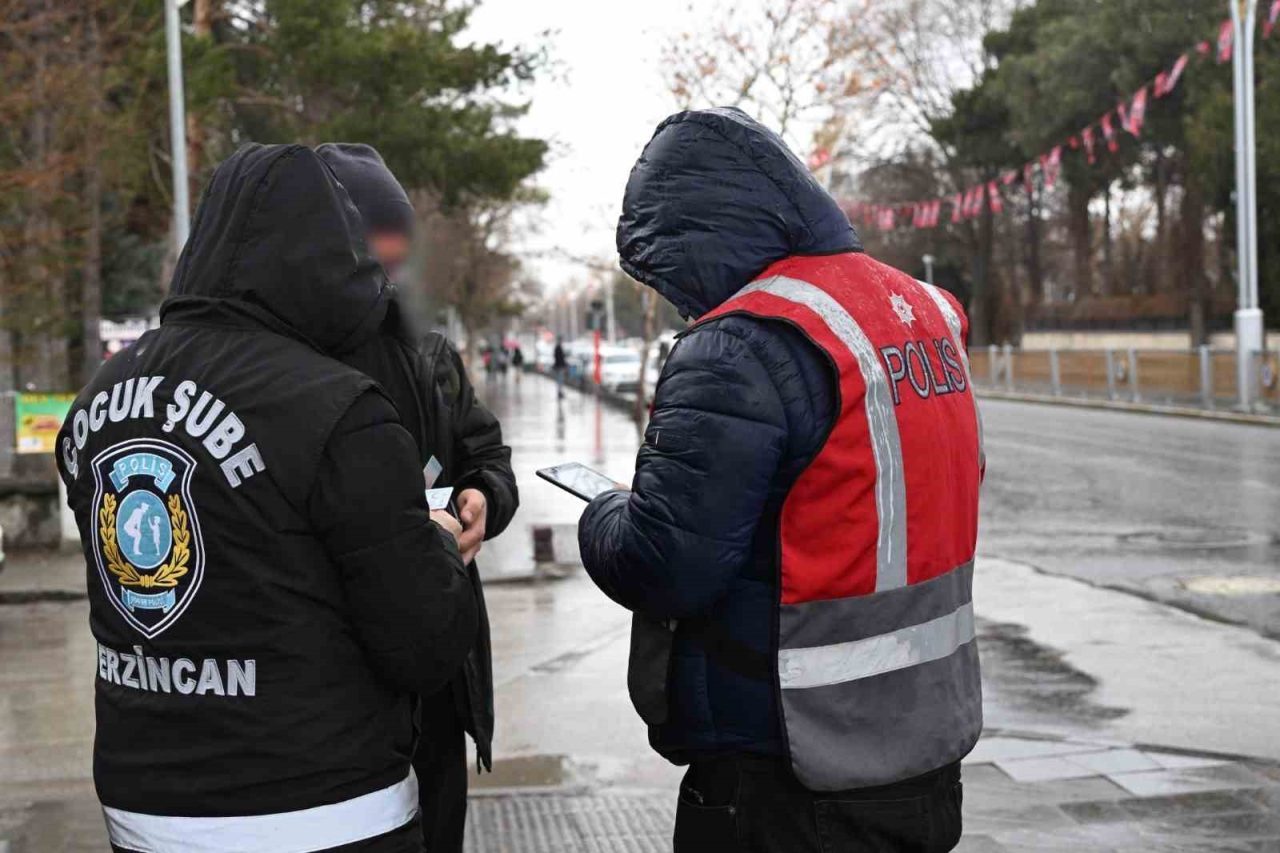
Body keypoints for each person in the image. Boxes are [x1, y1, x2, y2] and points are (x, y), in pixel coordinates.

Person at [577, 108, 984, 852]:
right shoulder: (927, 312)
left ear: (694, 242)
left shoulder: (741, 344)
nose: (678, 300)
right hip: (926, 752)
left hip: (788, 771)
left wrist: (602, 512)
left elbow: (665, 565)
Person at [56, 143, 477, 853]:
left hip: (145, 805)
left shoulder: (101, 397)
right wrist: (437, 539)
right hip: (324, 808)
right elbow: (423, 642)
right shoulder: (338, 408)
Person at [316, 143, 518, 853]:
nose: (392, 261)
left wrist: (482, 497)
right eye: (378, 240)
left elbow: (488, 454)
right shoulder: (293, 362)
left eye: (401, 242)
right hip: (341, 688)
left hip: (438, 674)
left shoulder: (432, 357)